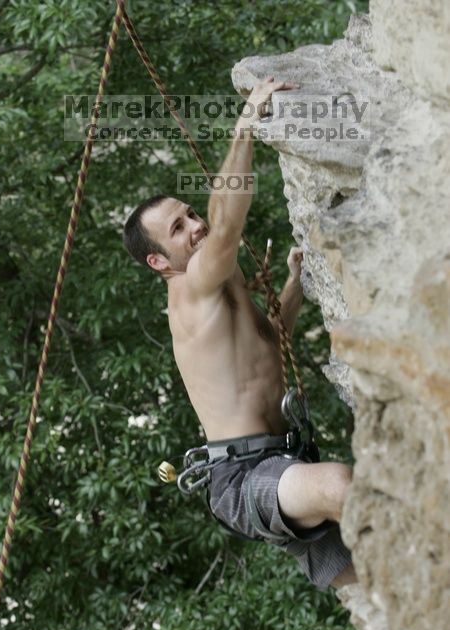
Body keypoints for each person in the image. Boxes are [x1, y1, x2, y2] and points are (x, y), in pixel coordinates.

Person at [123, 78, 357, 589]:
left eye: (188, 215)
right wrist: (247, 122)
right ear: (159, 262)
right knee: (343, 485)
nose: (195, 227)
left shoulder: (221, 287)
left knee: (373, 594)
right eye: (179, 229)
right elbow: (227, 222)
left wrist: (297, 283)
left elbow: (270, 346)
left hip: (284, 461)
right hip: (246, 478)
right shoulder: (189, 291)